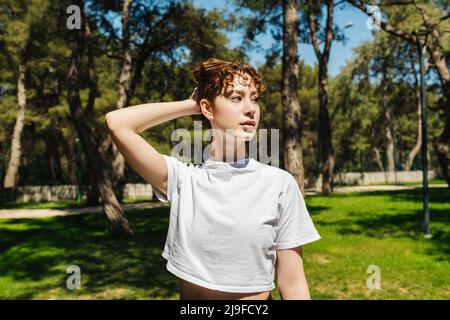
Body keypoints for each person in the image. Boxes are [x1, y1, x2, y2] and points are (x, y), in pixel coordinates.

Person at [105, 58, 321, 300]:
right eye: (236, 98)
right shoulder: (183, 181)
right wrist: (191, 104)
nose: (251, 108)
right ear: (208, 109)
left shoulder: (279, 184)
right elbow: (117, 123)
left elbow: (292, 284)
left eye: (254, 99)